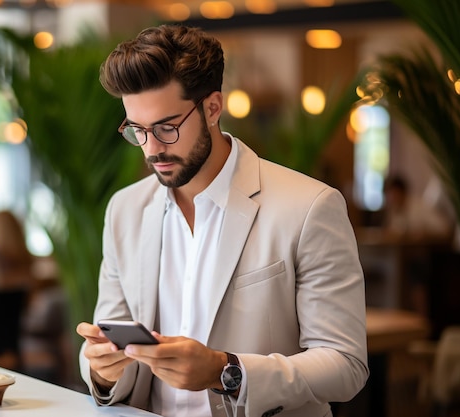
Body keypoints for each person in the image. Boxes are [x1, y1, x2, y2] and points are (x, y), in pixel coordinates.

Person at [76, 24, 368, 417]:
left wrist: (225, 370)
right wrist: (102, 370)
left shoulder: (310, 206)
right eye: (138, 131)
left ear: (212, 108)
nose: (153, 149)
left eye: (167, 127)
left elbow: (345, 365)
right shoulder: (125, 210)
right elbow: (109, 342)